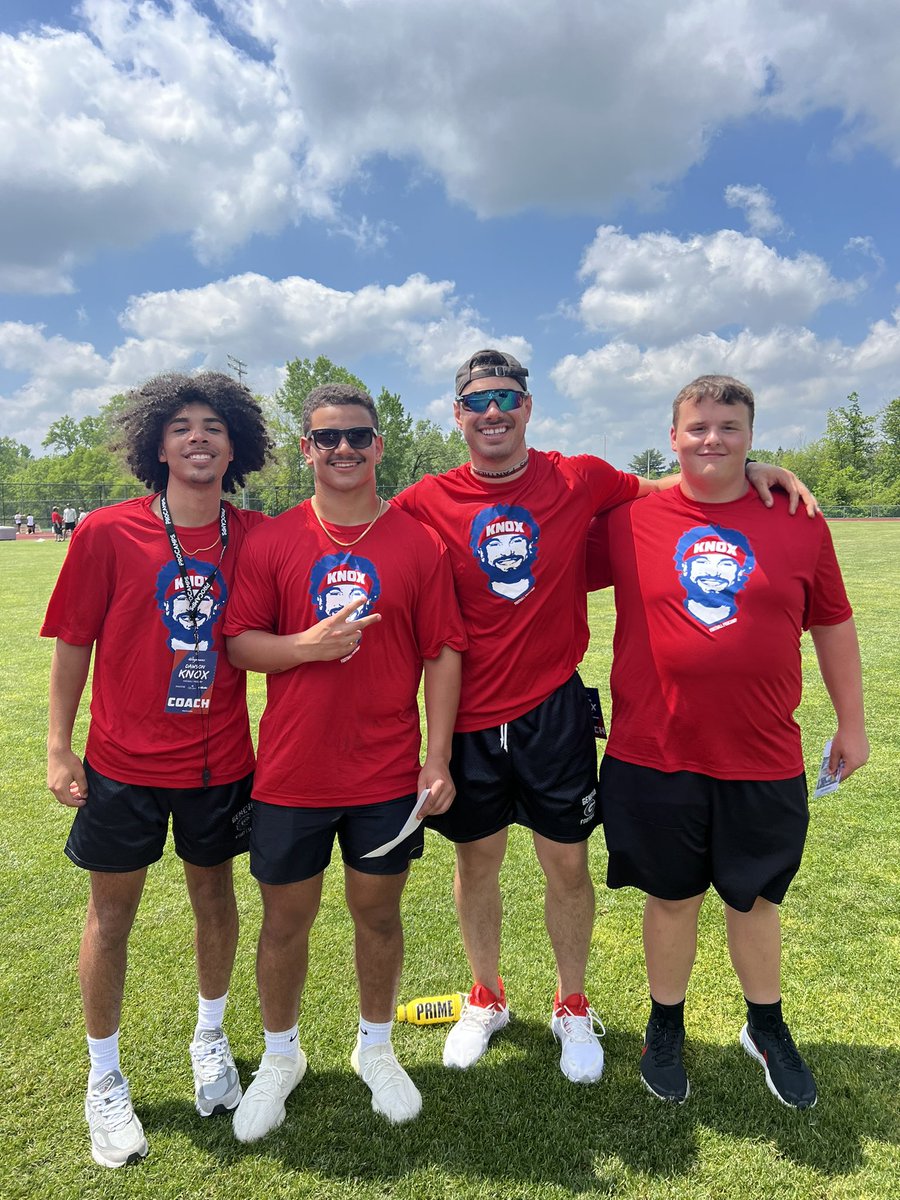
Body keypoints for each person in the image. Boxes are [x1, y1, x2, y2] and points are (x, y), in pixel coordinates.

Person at [391, 349, 817, 1085]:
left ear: (527, 407)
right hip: (464, 715)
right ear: (457, 414)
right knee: (477, 861)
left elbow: (671, 480)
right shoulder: (424, 499)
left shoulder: (577, 476)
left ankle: (572, 1002)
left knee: (566, 863)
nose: (493, 412)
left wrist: (749, 468)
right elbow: (365, 532)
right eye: (477, 401)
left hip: (552, 709)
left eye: (506, 398)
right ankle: (486, 995)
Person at [586, 374, 869, 1108]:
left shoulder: (797, 517)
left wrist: (854, 722)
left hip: (762, 753)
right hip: (653, 753)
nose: (712, 439)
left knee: (755, 902)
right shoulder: (625, 522)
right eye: (698, 426)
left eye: (729, 427)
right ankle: (666, 1025)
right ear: (673, 436)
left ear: (752, 435)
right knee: (672, 898)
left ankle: (766, 1027)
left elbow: (833, 622)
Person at [41, 371, 272, 1168]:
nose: (198, 437)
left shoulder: (257, 535)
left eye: (213, 425)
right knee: (112, 918)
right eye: (181, 427)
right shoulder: (106, 531)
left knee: (215, 898)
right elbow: (75, 639)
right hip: (122, 765)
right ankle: (103, 1080)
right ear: (157, 444)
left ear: (235, 445)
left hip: (220, 763)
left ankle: (211, 1041)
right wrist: (58, 745)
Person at [224, 383, 466, 1139]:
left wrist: (438, 758)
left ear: (378, 445)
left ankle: (375, 1047)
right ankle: (280, 1055)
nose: (343, 451)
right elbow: (238, 644)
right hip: (293, 774)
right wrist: (306, 648)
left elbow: (443, 651)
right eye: (327, 439)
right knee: (284, 922)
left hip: (386, 774)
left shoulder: (418, 541)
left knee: (378, 916)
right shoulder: (273, 539)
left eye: (358, 436)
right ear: (306, 450)